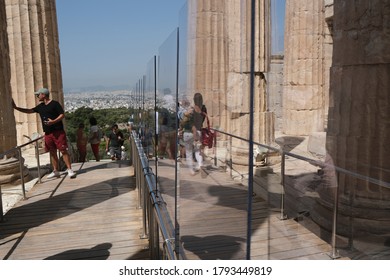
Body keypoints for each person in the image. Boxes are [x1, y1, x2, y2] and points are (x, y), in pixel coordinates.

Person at [12, 88, 76, 179]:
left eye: (38, 95)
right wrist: (16, 108)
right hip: (48, 133)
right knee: (52, 152)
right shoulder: (40, 106)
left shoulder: (55, 104)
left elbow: (62, 114)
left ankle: (70, 170)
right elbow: (30, 111)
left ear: (43, 95)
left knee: (63, 151)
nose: (37, 96)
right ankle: (55, 171)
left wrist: (53, 122)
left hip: (58, 132)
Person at [180, 92, 207, 174]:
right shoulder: (204, 109)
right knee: (197, 150)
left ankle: (191, 170)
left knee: (189, 152)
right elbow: (203, 119)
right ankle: (200, 164)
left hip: (189, 132)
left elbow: (185, 122)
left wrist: (181, 128)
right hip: (199, 131)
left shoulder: (191, 109)